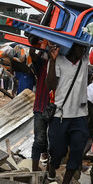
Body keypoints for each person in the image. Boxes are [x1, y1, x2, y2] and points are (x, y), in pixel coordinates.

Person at [46, 42, 90, 184]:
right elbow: (51, 85)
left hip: (80, 115)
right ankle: (51, 171)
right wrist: (52, 60)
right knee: (56, 151)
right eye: (80, 46)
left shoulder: (85, 61)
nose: (83, 49)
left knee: (77, 152)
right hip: (60, 115)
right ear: (71, 46)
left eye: (84, 47)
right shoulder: (58, 60)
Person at [30, 41, 50, 172]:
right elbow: (32, 54)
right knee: (39, 140)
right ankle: (34, 169)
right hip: (41, 107)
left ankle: (49, 170)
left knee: (52, 143)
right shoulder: (42, 64)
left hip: (53, 108)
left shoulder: (62, 65)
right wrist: (37, 45)